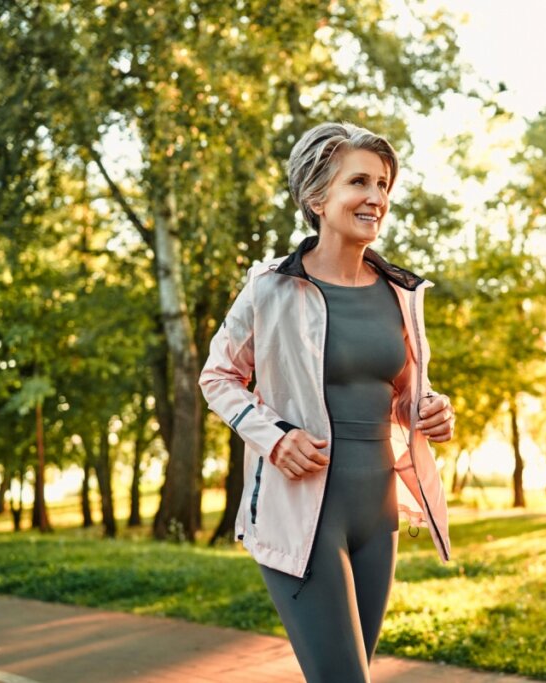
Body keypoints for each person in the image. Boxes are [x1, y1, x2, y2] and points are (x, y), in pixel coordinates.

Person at [199, 121, 455, 682]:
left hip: (376, 515)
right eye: (359, 182)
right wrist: (275, 438)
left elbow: (402, 396)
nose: (376, 197)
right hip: (301, 514)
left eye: (383, 184)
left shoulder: (400, 294)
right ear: (317, 197)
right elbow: (218, 376)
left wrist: (430, 409)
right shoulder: (270, 288)